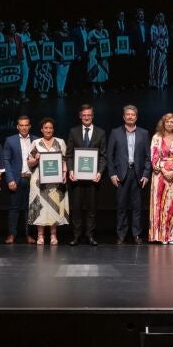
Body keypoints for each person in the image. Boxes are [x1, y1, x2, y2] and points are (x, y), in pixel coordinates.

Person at [107, 105, 152, 244]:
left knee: (137, 207)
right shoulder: (115, 132)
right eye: (128, 114)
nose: (130, 116)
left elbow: (148, 157)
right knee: (121, 207)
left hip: (138, 174)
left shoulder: (144, 133)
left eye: (133, 114)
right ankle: (121, 234)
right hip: (121, 174)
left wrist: (146, 174)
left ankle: (137, 234)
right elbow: (110, 156)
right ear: (124, 117)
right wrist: (112, 174)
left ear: (136, 117)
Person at [67, 104, 107, 246]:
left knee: (91, 209)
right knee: (76, 208)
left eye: (89, 115)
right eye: (84, 115)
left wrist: (100, 172)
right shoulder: (73, 132)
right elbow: (69, 155)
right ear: (80, 116)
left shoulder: (100, 133)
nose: (86, 117)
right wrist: (71, 170)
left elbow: (103, 156)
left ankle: (90, 235)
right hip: (77, 179)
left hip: (93, 179)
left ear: (92, 116)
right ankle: (76, 236)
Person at [27, 117, 69, 245]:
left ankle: (53, 235)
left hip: (56, 180)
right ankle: (40, 236)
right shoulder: (36, 143)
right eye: (46, 128)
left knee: (53, 208)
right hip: (39, 181)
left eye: (50, 128)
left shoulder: (60, 142)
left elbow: (64, 160)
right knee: (39, 207)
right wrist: (36, 159)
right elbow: (29, 162)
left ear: (53, 129)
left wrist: (64, 174)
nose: (48, 130)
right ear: (42, 129)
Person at [149, 113, 173, 243]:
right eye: (167, 122)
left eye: (172, 122)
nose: (170, 124)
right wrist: (163, 169)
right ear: (163, 123)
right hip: (160, 175)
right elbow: (153, 156)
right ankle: (161, 236)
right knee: (161, 205)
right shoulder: (156, 137)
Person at [3, 115, 39, 244]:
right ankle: (11, 234)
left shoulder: (36, 140)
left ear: (30, 126)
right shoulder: (10, 140)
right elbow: (6, 160)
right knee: (14, 208)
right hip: (16, 179)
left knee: (30, 208)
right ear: (18, 127)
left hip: (32, 179)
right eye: (21, 125)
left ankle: (29, 235)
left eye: (26, 125)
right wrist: (10, 179)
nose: (24, 127)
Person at [87, 18, 110, 94]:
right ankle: (93, 87)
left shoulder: (105, 31)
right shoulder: (92, 32)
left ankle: (100, 86)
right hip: (94, 53)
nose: (101, 25)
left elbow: (108, 42)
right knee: (94, 70)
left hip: (103, 54)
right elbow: (88, 43)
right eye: (99, 23)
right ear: (96, 24)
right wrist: (96, 43)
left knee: (102, 71)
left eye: (102, 23)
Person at [149, 12, 169, 89]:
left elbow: (167, 37)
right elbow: (153, 38)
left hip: (163, 49)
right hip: (156, 49)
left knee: (163, 66)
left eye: (163, 17)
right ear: (158, 18)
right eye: (161, 17)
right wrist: (160, 46)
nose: (162, 19)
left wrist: (165, 46)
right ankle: (155, 83)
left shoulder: (165, 26)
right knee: (156, 66)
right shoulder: (153, 26)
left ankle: (163, 82)